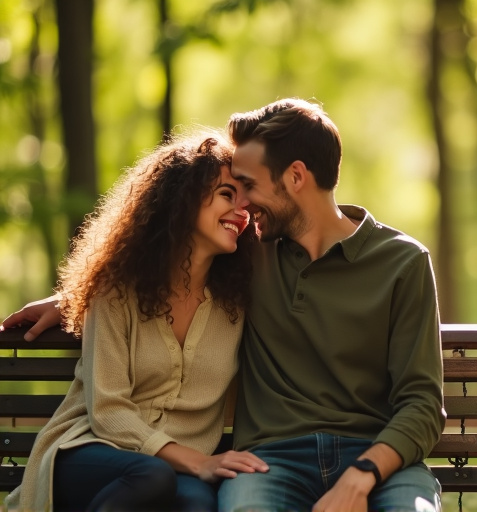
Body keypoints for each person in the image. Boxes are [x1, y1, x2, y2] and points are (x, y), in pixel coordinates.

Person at [2, 99, 446, 512]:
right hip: (270, 462)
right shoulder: (250, 254)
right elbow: (154, 262)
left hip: (375, 456)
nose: (245, 206)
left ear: (295, 177)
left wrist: (364, 473)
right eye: (231, 193)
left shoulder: (398, 263)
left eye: (248, 187)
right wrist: (73, 298)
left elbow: (423, 402)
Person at [2, 130, 268, 512]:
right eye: (227, 194)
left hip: (177, 474)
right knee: (151, 477)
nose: (243, 210)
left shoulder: (238, 302)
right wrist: (199, 462)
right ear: (181, 201)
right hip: (91, 451)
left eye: (247, 200)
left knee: (198, 505)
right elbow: (108, 412)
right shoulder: (115, 291)